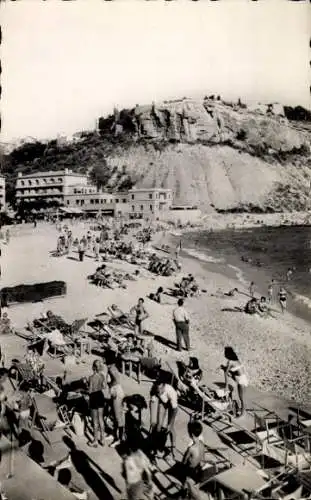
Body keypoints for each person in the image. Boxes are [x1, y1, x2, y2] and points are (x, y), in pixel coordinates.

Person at [149, 376, 178, 459]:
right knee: (158, 425)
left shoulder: (171, 392)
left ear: (164, 386)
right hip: (162, 402)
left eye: (160, 390)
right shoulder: (155, 389)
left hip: (172, 405)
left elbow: (175, 410)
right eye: (158, 390)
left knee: (170, 428)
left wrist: (170, 423)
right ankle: (157, 446)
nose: (159, 391)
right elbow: (153, 399)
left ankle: (173, 448)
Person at [221, 346, 248, 417]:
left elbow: (226, 373)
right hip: (243, 378)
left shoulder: (230, 362)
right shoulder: (236, 360)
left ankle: (242, 413)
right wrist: (224, 368)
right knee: (242, 397)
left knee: (241, 398)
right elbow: (234, 371)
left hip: (240, 380)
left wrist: (226, 386)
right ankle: (242, 410)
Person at [105, 351, 125, 447]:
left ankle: (119, 439)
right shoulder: (111, 367)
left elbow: (117, 380)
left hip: (117, 392)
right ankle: (114, 433)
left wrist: (109, 385)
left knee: (118, 417)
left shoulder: (112, 368)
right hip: (114, 391)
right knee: (113, 414)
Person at [181, 421, 205, 500]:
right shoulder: (202, 444)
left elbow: (184, 461)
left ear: (191, 434)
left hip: (190, 471)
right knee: (196, 489)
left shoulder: (191, 449)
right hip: (199, 470)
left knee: (186, 487)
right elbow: (203, 459)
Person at [87, 359, 107, 448]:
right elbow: (104, 386)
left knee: (95, 421)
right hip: (100, 396)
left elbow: (90, 391)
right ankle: (102, 439)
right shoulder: (102, 376)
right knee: (101, 419)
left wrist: (86, 386)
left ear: (93, 367)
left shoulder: (91, 378)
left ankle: (95, 441)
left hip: (94, 397)